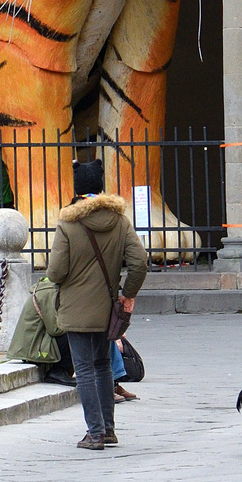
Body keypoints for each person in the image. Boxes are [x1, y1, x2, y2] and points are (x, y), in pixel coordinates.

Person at [45, 158, 148, 450]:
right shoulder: (119, 221)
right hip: (107, 307)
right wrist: (127, 294)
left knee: (86, 369)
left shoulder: (68, 224)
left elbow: (55, 272)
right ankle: (109, 429)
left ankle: (95, 432)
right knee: (103, 365)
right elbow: (139, 262)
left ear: (77, 190)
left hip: (75, 308)